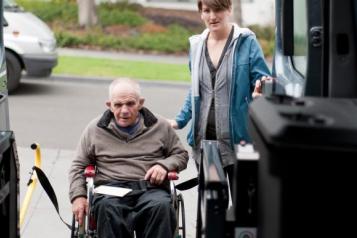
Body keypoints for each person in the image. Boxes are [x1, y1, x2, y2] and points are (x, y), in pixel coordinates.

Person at [167, 0, 272, 187]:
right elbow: (196, 89)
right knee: (212, 208)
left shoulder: (246, 42)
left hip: (240, 140)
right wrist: (179, 120)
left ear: (229, 9)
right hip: (206, 141)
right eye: (206, 10)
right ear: (201, 13)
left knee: (245, 209)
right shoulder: (196, 45)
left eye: (218, 9)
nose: (212, 16)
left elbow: (262, 81)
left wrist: (262, 90)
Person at [69, 78, 189, 238]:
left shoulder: (160, 126)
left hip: (150, 188)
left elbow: (181, 155)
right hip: (110, 191)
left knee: (161, 207)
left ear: (140, 103)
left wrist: (164, 165)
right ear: (109, 105)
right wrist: (78, 196)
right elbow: (78, 165)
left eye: (130, 104)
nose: (124, 110)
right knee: (107, 208)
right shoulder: (94, 129)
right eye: (118, 105)